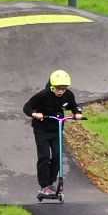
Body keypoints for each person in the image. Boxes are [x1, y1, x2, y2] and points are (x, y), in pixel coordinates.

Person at [23, 69, 83, 197]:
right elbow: (27, 107)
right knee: (44, 156)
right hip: (41, 130)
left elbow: (74, 106)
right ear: (52, 86)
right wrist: (35, 114)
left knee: (57, 156)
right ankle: (44, 186)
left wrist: (77, 113)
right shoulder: (43, 95)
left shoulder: (68, 95)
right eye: (58, 88)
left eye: (63, 88)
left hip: (56, 129)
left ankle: (50, 183)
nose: (60, 91)